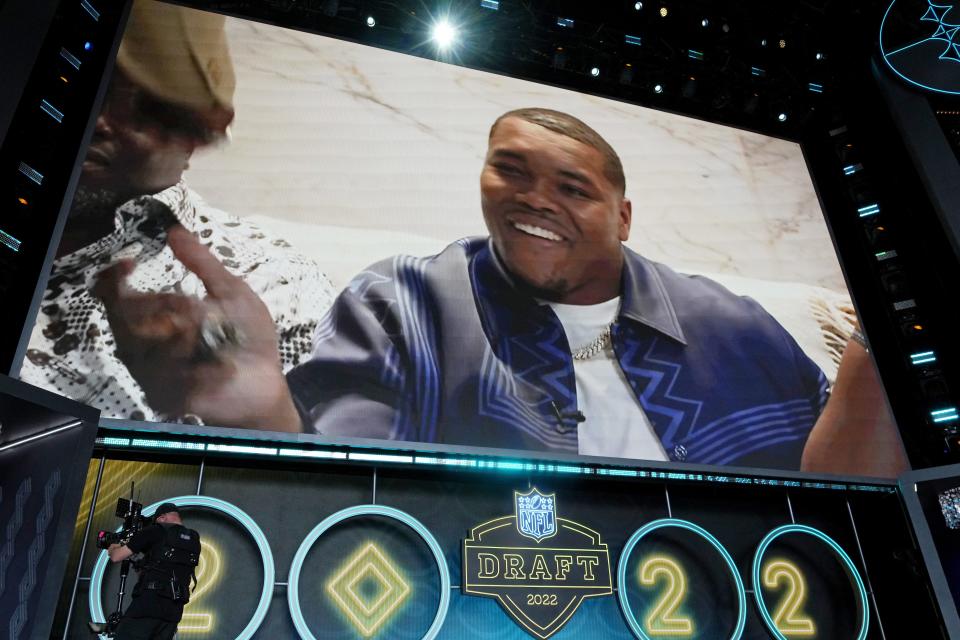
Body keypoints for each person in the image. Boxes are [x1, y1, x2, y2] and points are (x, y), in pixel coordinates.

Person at [94, 108, 908, 475]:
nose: (534, 200)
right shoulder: (404, 302)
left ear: (624, 215)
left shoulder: (733, 321)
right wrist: (260, 412)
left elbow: (849, 501)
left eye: (573, 189)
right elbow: (341, 493)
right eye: (510, 171)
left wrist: (881, 343)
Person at [19, 0, 336, 422]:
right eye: (94, 79)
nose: (98, 120)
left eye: (142, 105)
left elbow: (334, 479)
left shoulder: (281, 287)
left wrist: (267, 420)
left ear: (196, 136)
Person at [95, 503, 200, 639]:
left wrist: (113, 547)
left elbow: (116, 557)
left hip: (148, 605)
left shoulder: (155, 530)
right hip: (173, 612)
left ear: (162, 517)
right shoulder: (194, 539)